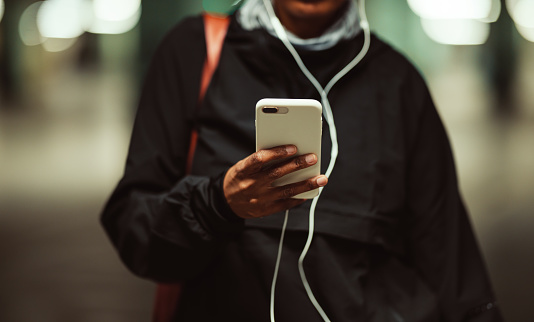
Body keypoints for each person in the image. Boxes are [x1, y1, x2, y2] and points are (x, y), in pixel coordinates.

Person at [101, 0, 504, 321]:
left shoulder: (397, 83)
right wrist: (218, 204)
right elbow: (136, 234)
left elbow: (448, 255)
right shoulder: (193, 54)